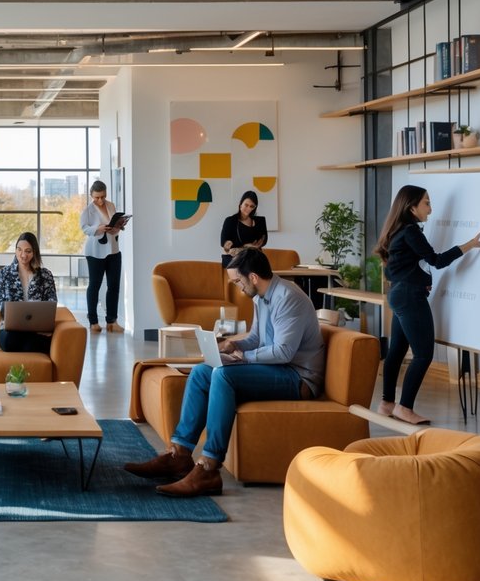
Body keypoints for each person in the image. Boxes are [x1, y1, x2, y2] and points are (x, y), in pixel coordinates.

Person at [123, 248, 324, 498]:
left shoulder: (287, 297)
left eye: (238, 281)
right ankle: (180, 453)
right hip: (276, 369)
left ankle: (208, 467)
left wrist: (243, 358)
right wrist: (235, 345)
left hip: (297, 377)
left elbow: (284, 352)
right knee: (201, 371)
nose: (237, 288)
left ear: (252, 277)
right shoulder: (261, 297)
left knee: (223, 375)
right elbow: (257, 338)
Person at [374, 185, 480, 426]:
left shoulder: (396, 230)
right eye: (426, 203)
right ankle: (405, 408)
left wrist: (420, 280)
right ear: (411, 207)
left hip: (399, 293)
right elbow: (436, 261)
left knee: (396, 352)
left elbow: (403, 268)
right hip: (409, 296)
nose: (431, 209)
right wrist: (469, 245)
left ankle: (386, 404)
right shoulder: (411, 231)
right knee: (423, 354)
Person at [0, 232, 58, 353]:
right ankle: (34, 343)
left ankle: (33, 342)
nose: (23, 255)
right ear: (15, 250)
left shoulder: (45, 275)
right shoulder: (4, 274)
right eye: (19, 250)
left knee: (31, 345)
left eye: (28, 251)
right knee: (10, 341)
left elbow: (52, 301)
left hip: (37, 329)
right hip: (10, 331)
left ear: (34, 253)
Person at [80, 179, 124, 334]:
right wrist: (97, 228)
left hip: (113, 250)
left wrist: (117, 228)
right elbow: (84, 228)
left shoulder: (111, 205)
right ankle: (93, 322)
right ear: (92, 195)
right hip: (95, 253)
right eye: (97, 197)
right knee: (95, 285)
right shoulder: (87, 210)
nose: (100, 200)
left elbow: (114, 224)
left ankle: (112, 321)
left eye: (102, 197)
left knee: (114, 286)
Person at [220, 190, 268, 268]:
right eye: (246, 205)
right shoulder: (230, 220)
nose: (248, 208)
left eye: (252, 206)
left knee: (259, 264)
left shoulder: (260, 221)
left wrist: (254, 246)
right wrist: (247, 246)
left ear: (255, 207)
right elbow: (223, 242)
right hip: (235, 258)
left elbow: (263, 240)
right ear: (240, 204)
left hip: (253, 257)